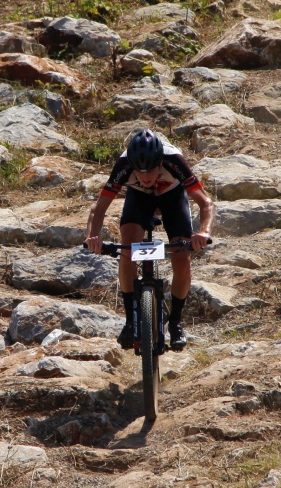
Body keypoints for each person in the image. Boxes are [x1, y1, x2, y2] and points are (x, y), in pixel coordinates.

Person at [84, 128, 216, 351]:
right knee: (128, 250)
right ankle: (130, 321)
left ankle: (175, 322)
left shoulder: (174, 160)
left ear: (160, 163)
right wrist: (92, 237)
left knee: (182, 258)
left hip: (172, 197)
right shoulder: (124, 165)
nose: (145, 177)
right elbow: (98, 210)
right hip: (139, 199)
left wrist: (203, 231)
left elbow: (206, 203)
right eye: (140, 172)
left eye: (151, 171)